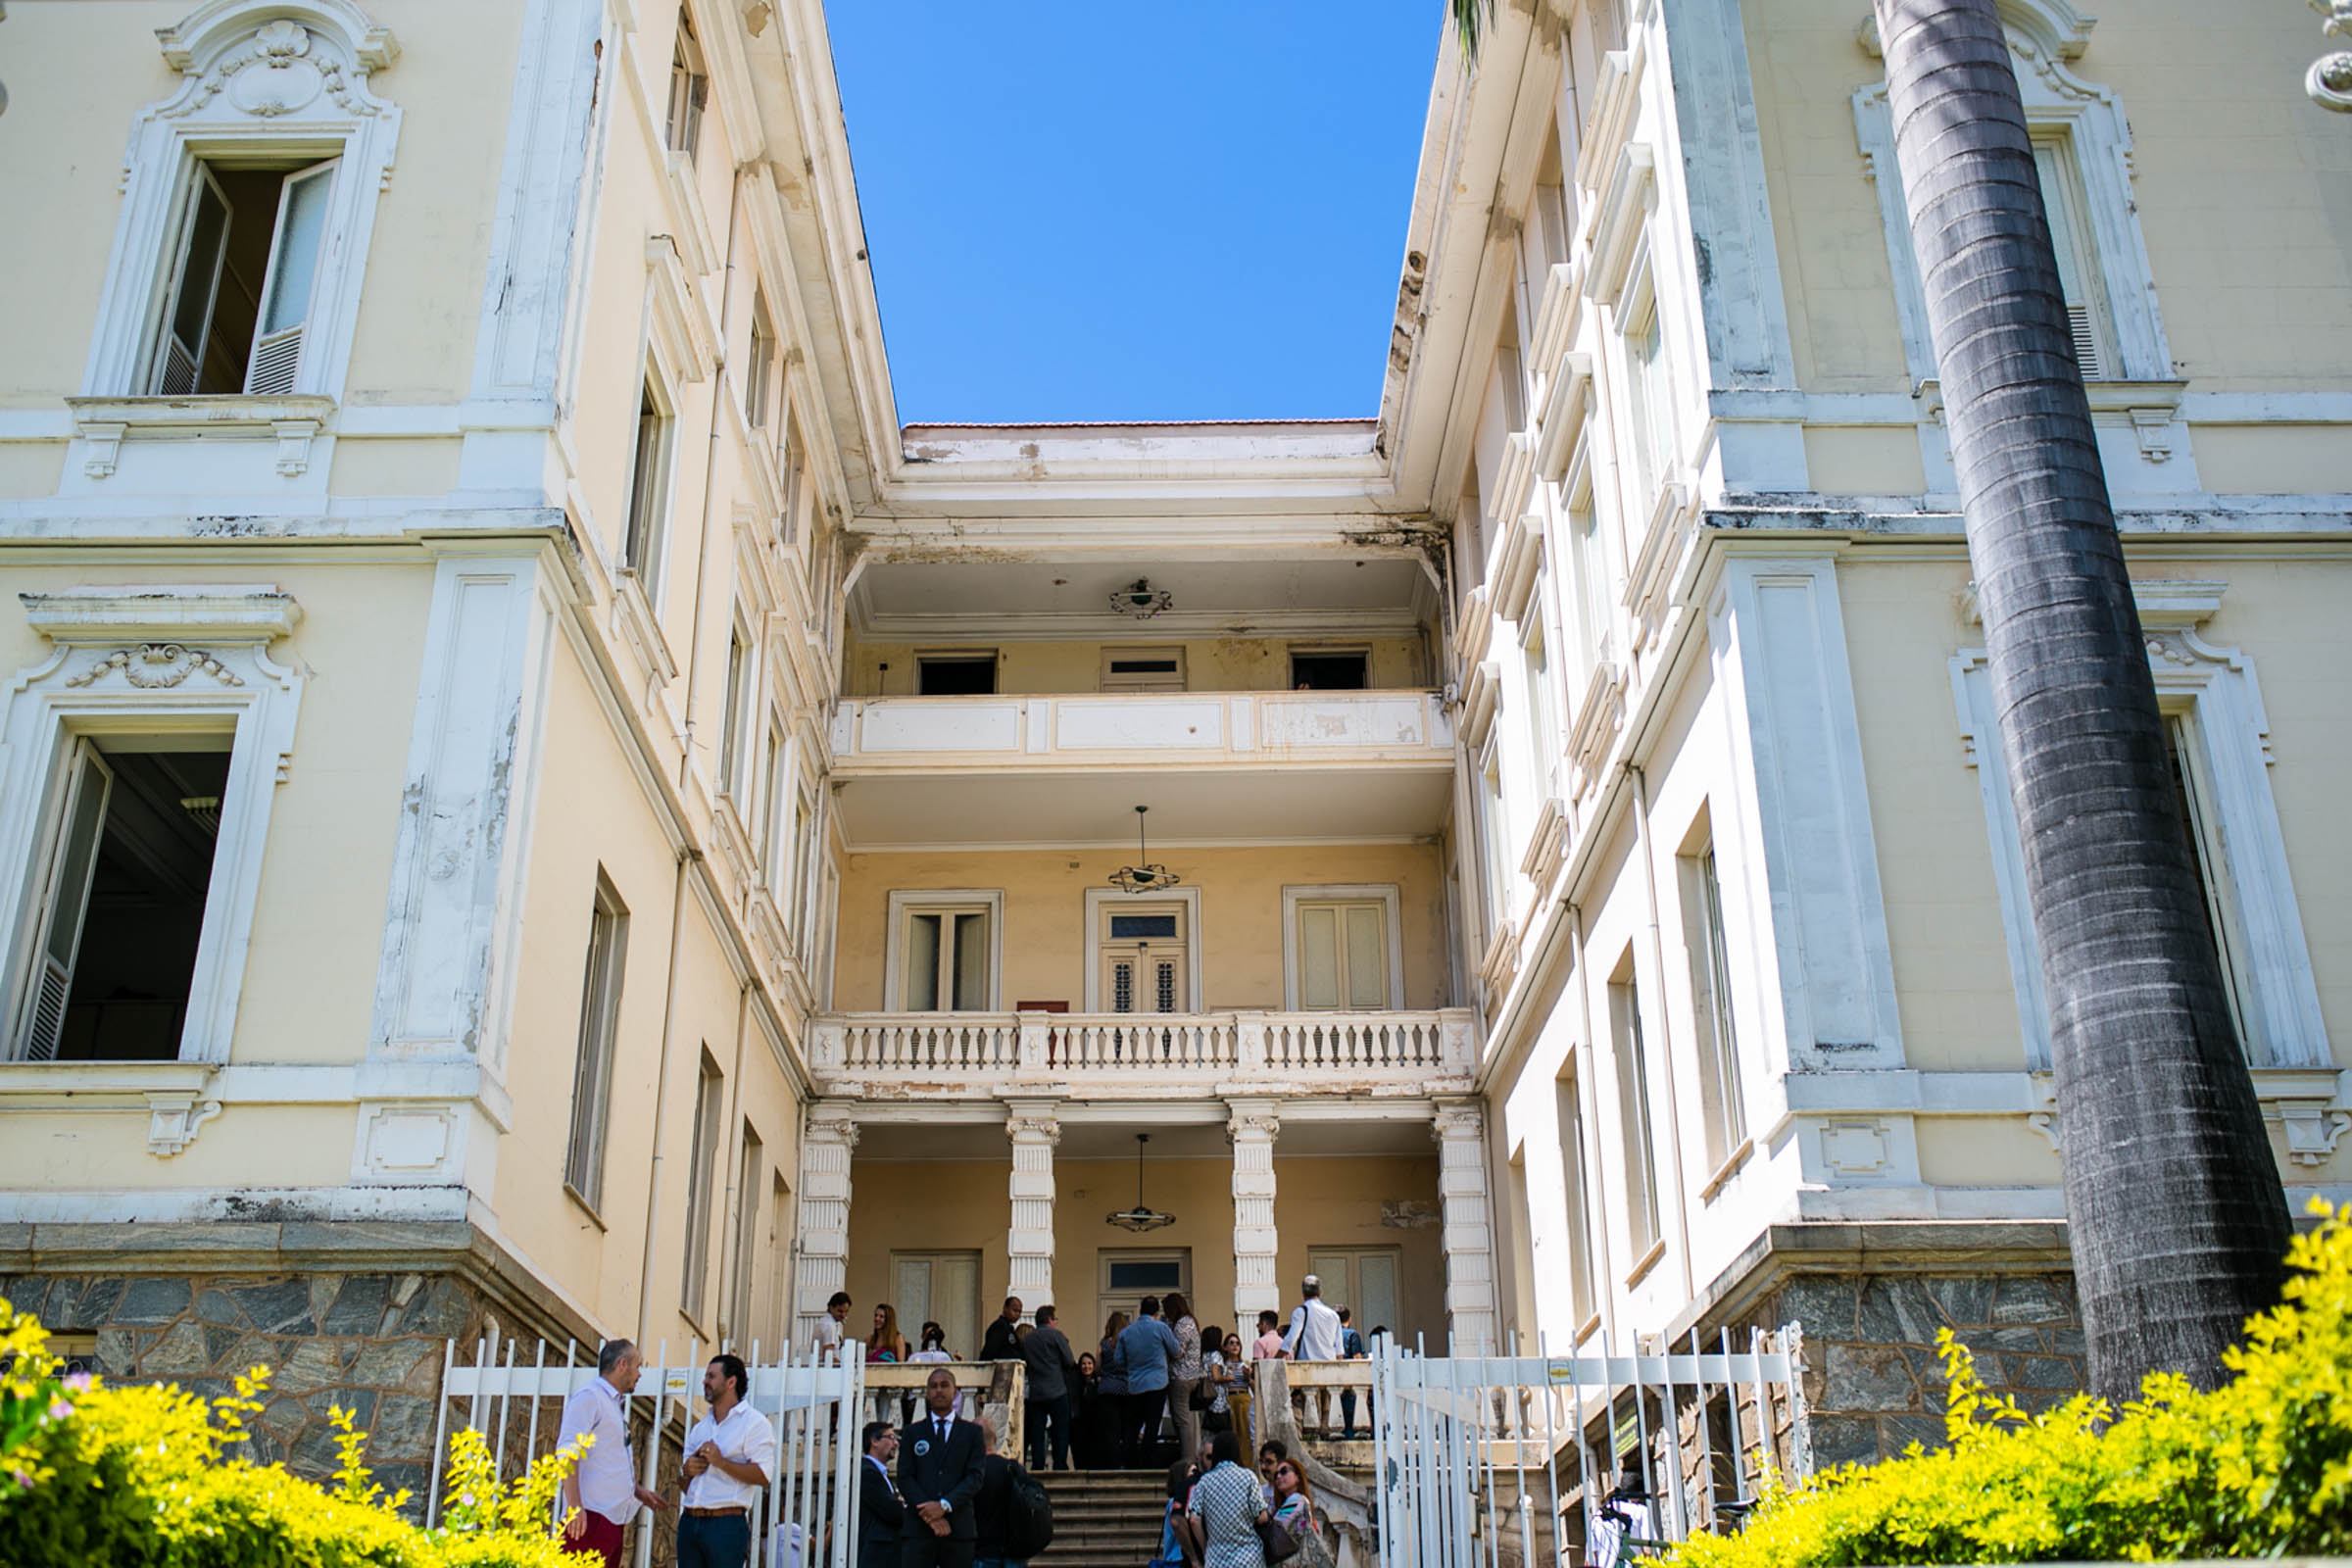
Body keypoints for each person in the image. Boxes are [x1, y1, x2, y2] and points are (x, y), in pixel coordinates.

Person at [556, 1339, 669, 1567]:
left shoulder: (611, 1404)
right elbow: (567, 1453)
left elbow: (604, 1459)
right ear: (622, 1364)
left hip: (608, 1521)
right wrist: (575, 1508)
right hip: (589, 1519)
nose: (639, 1374)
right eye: (638, 1366)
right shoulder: (590, 1397)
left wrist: (637, 1491)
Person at [678, 1352, 777, 1568]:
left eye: (711, 1376)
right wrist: (686, 1471)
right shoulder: (700, 1427)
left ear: (731, 1382)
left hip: (726, 1525)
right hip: (689, 1521)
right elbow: (684, 1481)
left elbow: (763, 1476)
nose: (704, 1381)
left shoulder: (755, 1423)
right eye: (705, 1376)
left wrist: (721, 1462)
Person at [898, 1367, 986, 1568]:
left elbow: (975, 1477)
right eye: (933, 1386)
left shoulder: (971, 1433)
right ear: (927, 1393)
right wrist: (929, 1513)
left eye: (944, 1385)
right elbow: (905, 1477)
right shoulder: (913, 1432)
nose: (939, 1390)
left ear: (955, 1391)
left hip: (958, 1529)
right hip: (919, 1530)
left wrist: (944, 1505)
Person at [1185, 1430, 1269, 1568]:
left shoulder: (1204, 1482)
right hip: (1249, 1558)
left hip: (1216, 1559)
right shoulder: (1248, 1477)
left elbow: (1194, 1520)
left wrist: (1206, 1549)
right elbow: (1261, 1517)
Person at [1115, 1296, 1183, 1467]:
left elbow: (1119, 1361)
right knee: (1153, 1423)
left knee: (1133, 1424)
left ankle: (1129, 1461)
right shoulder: (1161, 1328)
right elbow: (1175, 1351)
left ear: (1140, 1311)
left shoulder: (1126, 1332)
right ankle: (1148, 1460)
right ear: (1156, 1312)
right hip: (1157, 1383)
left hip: (1135, 1384)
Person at [1280, 1277, 1344, 1436]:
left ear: (1303, 1293)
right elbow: (1339, 1351)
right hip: (1329, 1370)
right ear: (1320, 1292)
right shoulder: (1333, 1315)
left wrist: (1275, 1357)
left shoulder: (1301, 1312)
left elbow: (1290, 1339)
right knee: (1326, 1416)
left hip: (1308, 1371)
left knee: (1310, 1417)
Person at [1019, 1302, 1079, 1471]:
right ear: (1049, 1320)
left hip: (1036, 1391)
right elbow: (1069, 1360)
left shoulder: (1027, 1339)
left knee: (1037, 1430)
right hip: (1057, 1389)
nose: (1056, 1323)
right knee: (1060, 1429)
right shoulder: (1056, 1335)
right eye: (1055, 1319)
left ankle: (1038, 1464)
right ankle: (1059, 1463)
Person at [970, 1422, 1036, 1568]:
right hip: (1014, 1553)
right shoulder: (1014, 1468)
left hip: (982, 1552)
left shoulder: (971, 1473)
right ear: (995, 1439)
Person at [1163, 1292, 1204, 1462]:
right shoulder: (1191, 1322)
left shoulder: (1182, 1324)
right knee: (1185, 1419)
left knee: (1182, 1420)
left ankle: (1187, 1460)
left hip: (1181, 1377)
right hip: (1192, 1375)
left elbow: (1177, 1352)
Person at [857, 1423, 904, 1568]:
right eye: (891, 1437)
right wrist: (900, 1505)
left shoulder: (880, 1473)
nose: (895, 1443)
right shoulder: (867, 1472)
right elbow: (893, 1512)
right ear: (874, 1441)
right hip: (875, 1557)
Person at [1211, 1331, 1251, 1466]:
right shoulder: (1222, 1365)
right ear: (1225, 1347)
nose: (1235, 1346)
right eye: (1231, 1343)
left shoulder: (1245, 1364)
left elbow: (1252, 1385)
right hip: (1229, 1399)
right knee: (1232, 1433)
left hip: (1244, 1397)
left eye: (1237, 1343)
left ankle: (1247, 1463)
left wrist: (1248, 1378)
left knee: (1245, 1433)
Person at [1268, 1457, 1321, 1552]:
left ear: (1297, 1477)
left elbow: (1277, 1528)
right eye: (1276, 1475)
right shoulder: (1287, 1503)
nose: (1279, 1476)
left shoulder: (1296, 1500)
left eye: (1284, 1471)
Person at [1336, 1308, 1366, 1441]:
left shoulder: (1330, 1334)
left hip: (1334, 1381)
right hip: (1350, 1382)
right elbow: (1357, 1359)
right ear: (1349, 1319)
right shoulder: (1352, 1334)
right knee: (1351, 1418)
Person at [979, 1297, 1024, 1361]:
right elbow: (990, 1351)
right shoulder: (999, 1327)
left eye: (1019, 1312)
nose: (1017, 1314)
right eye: (1014, 1310)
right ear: (1005, 1308)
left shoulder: (1009, 1328)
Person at [815, 1291, 854, 1362]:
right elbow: (828, 1357)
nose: (843, 1315)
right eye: (840, 1311)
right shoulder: (829, 1325)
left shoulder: (824, 1321)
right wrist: (844, 1366)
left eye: (846, 1312)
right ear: (831, 1308)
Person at [1254, 1441, 1288, 1514]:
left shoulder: (1288, 1493)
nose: (1263, 1467)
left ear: (1281, 1463)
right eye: (1261, 1462)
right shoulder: (1259, 1491)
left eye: (1268, 1462)